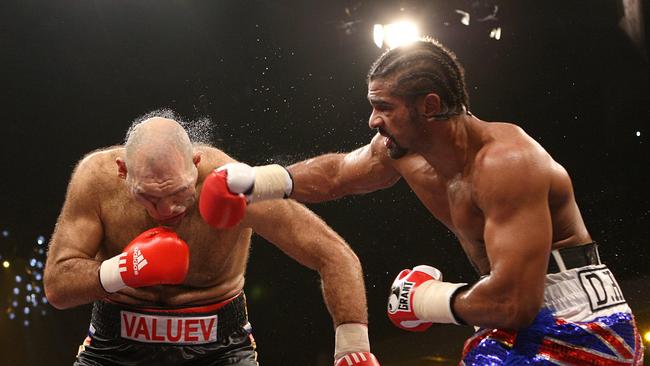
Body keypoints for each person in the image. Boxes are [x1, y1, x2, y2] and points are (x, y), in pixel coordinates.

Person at [207, 38, 645, 364]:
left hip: (582, 318)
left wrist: (428, 299)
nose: (373, 119)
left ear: (430, 106)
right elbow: (338, 174)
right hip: (511, 310)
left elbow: (516, 302)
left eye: (385, 106)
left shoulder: (506, 163)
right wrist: (255, 180)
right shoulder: (400, 150)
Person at [43, 115, 380, 366]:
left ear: (196, 164)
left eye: (178, 192)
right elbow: (58, 286)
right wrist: (121, 271)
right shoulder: (96, 181)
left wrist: (354, 347)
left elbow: (333, 254)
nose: (166, 210)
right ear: (122, 171)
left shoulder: (231, 184)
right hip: (114, 346)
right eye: (148, 197)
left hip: (220, 349)